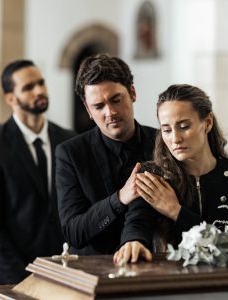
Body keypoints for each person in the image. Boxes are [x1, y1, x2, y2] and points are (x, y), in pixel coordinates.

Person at [0, 59, 76, 285]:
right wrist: (23, 279)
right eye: (28, 87)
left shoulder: (68, 140)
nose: (39, 91)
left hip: (64, 274)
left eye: (41, 83)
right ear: (10, 98)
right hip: (11, 279)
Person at [114, 84, 228, 264]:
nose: (175, 138)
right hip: (171, 283)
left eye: (184, 126)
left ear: (208, 122)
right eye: (166, 130)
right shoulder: (153, 175)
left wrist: (175, 211)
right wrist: (132, 241)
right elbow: (137, 221)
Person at [55, 53, 156, 255]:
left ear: (133, 93)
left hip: (154, 263)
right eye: (98, 106)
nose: (110, 112)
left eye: (116, 100)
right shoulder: (70, 154)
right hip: (92, 273)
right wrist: (119, 198)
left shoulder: (162, 142)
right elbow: (74, 232)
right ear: (88, 110)